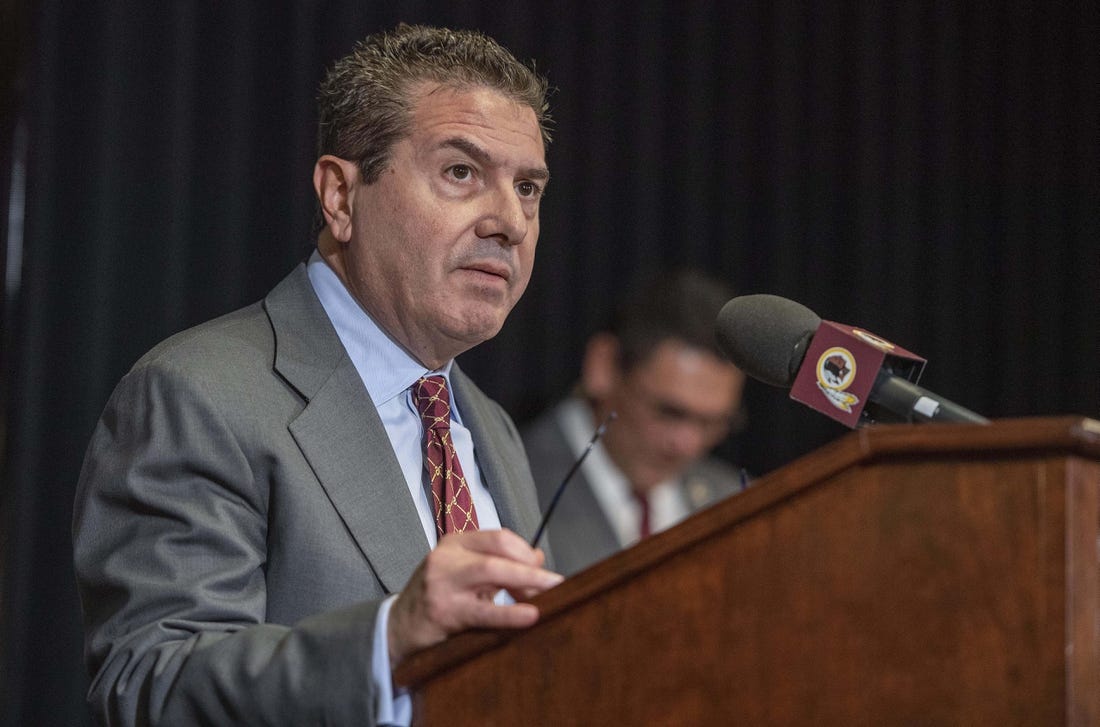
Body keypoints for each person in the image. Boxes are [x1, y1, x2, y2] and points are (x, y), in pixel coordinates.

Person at [72, 24, 563, 726]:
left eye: (528, 188)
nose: (511, 222)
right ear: (340, 195)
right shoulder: (200, 394)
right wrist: (388, 640)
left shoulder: (491, 429)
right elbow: (153, 682)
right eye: (462, 172)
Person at [522, 270, 748, 576]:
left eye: (713, 423)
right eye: (669, 412)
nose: (687, 443)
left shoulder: (739, 505)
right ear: (603, 367)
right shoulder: (506, 484)